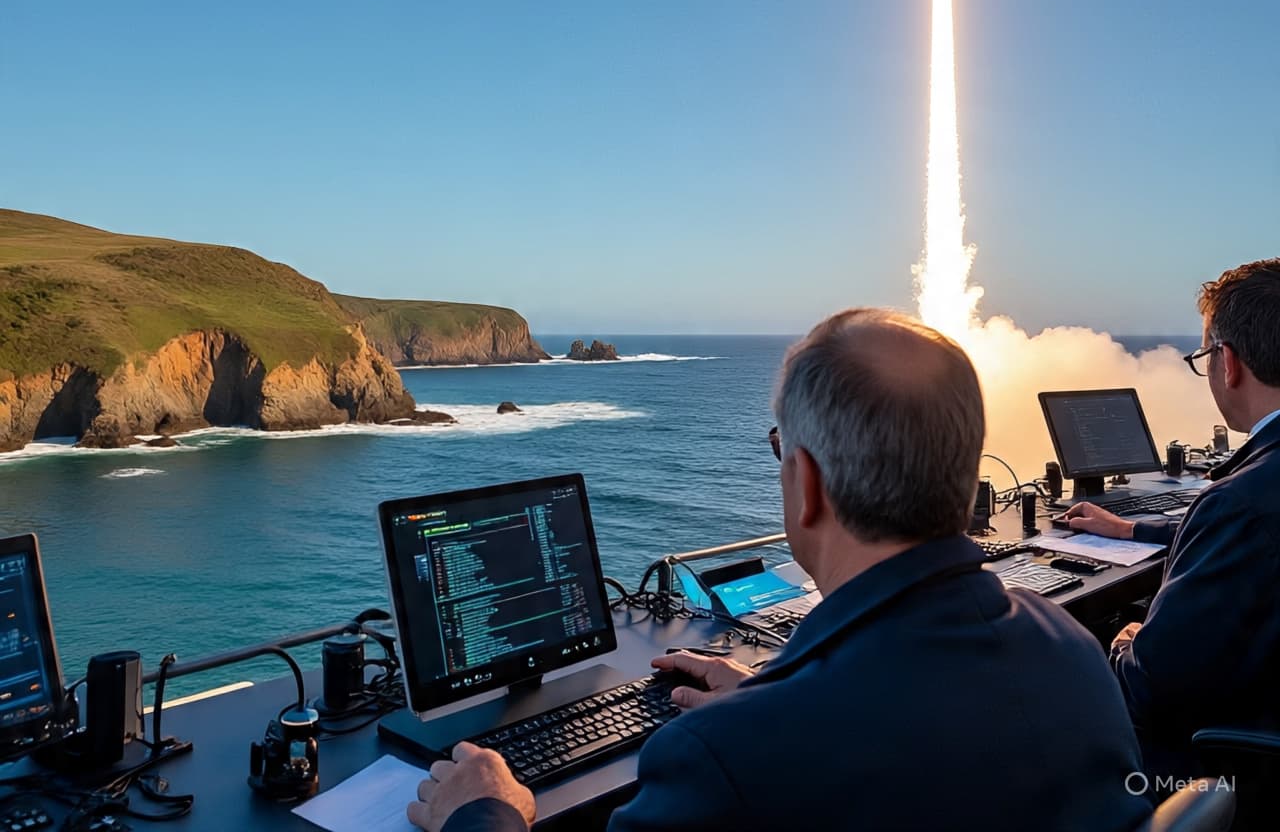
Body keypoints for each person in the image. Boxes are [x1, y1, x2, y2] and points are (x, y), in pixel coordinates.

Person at [408, 309, 1151, 832]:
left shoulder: (723, 759)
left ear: (806, 482)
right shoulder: (1074, 651)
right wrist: (774, 688)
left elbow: (833, 737)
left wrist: (487, 813)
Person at [1064, 259, 1280, 822]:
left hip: (1217, 771)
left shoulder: (1239, 503)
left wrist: (1127, 642)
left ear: (1227, 363)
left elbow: (1152, 692)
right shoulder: (1250, 500)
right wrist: (1131, 527)